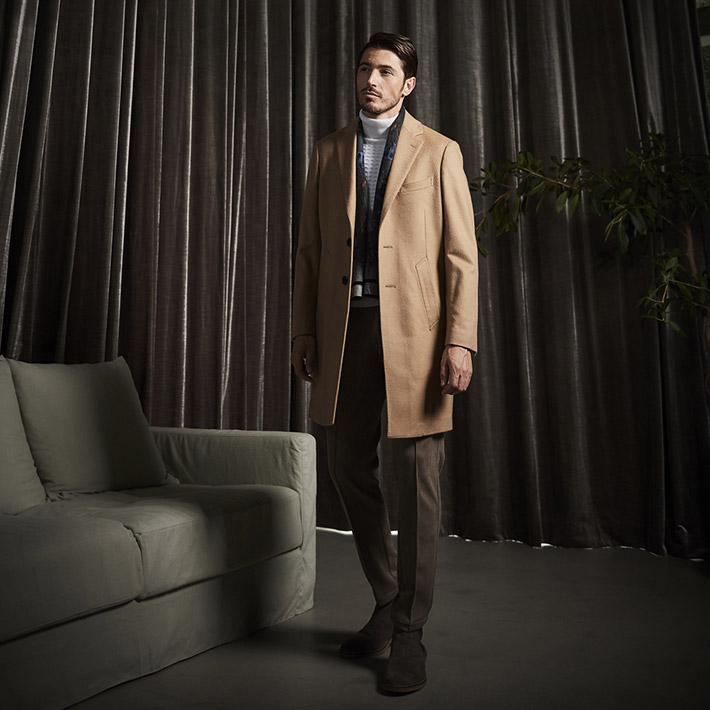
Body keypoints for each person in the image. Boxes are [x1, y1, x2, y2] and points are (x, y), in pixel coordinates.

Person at [291, 32, 478, 694]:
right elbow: (310, 251)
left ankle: (410, 631)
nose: (371, 79)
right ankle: (388, 595)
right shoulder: (328, 150)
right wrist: (303, 330)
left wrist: (460, 340)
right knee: (346, 464)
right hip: (345, 331)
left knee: (418, 480)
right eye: (365, 68)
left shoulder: (440, 151)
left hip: (418, 338)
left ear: (409, 84)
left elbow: (460, 255)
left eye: (386, 71)